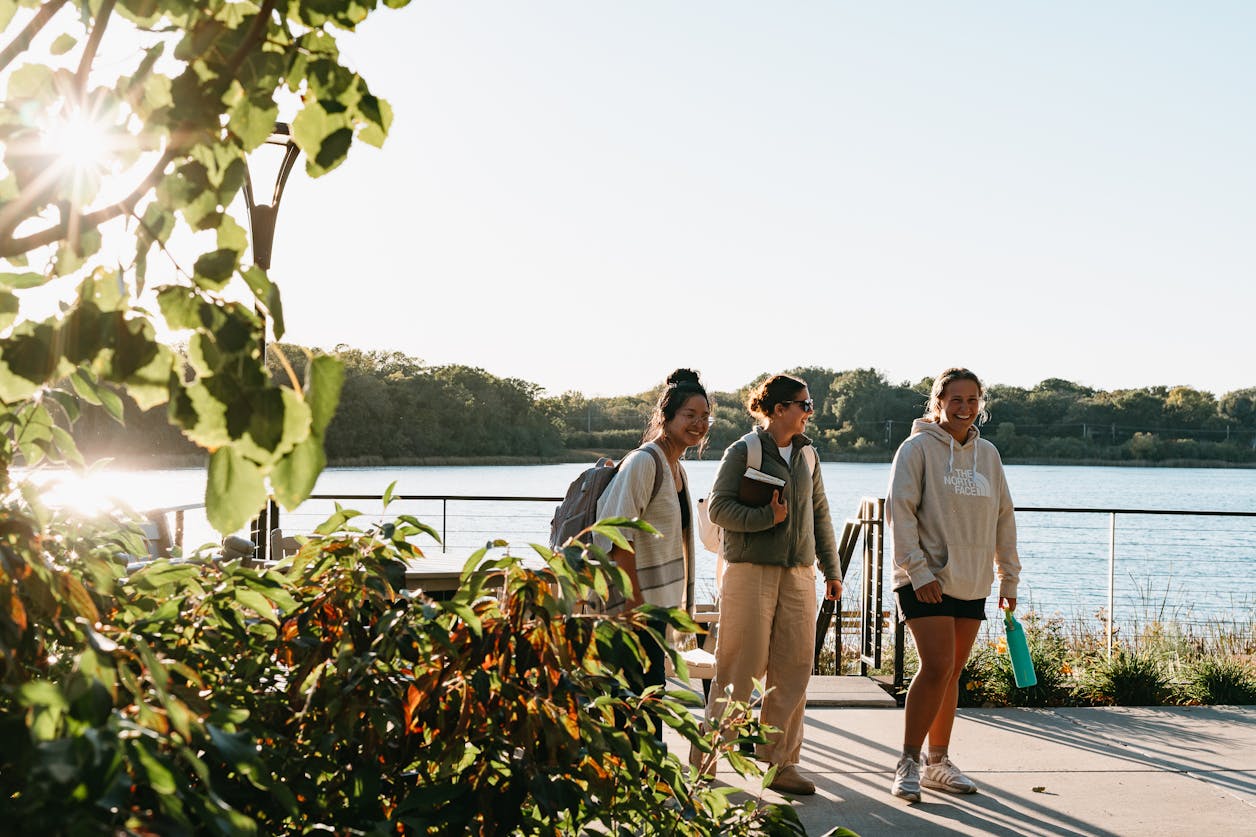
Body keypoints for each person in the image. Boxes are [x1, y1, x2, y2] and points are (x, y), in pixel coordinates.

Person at [702, 374, 842, 796]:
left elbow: (819, 512)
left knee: (794, 670)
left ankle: (780, 764)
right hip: (749, 572)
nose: (809, 411)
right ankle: (706, 759)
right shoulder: (743, 450)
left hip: (799, 573)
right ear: (779, 409)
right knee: (739, 668)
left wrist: (831, 569)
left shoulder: (808, 454)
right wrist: (767, 519)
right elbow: (718, 509)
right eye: (804, 404)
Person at [886, 367, 1020, 802]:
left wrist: (1008, 575)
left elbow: (1004, 517)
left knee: (952, 673)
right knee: (937, 666)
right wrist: (919, 573)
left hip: (972, 578)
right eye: (956, 399)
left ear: (981, 404)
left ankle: (937, 762)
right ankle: (907, 761)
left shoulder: (989, 455)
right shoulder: (916, 449)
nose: (965, 408)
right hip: (924, 578)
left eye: (973, 399)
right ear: (938, 402)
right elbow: (900, 514)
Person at [595, 369, 711, 738]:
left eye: (705, 417)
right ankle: (639, 786)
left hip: (655, 611)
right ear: (666, 417)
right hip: (633, 609)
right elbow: (616, 536)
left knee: (647, 700)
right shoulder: (645, 462)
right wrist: (635, 607)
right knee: (635, 704)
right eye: (690, 416)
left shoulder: (676, 467)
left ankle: (646, 785)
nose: (699, 424)